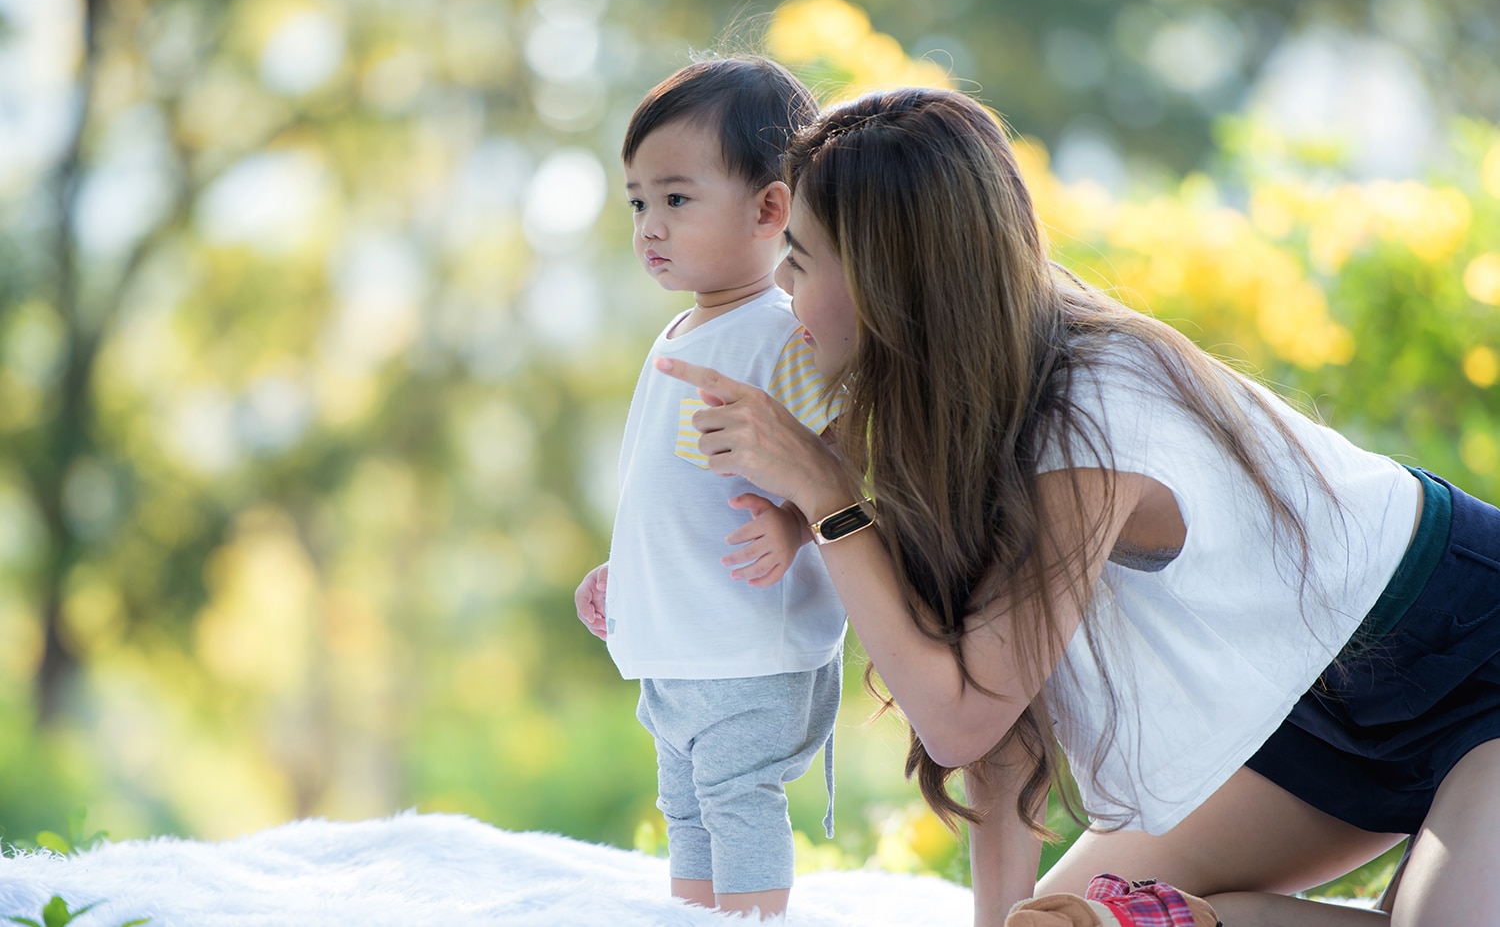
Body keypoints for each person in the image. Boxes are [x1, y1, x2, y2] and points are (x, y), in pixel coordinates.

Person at [654, 85, 1500, 927]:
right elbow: (1000, 731)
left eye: (798, 261)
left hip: (1474, 645)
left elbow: (958, 718)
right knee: (1060, 921)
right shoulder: (961, 404)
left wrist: (829, 496)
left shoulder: (1093, 416)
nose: (786, 299)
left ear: (884, 282)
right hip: (1306, 711)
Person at [573, 56, 846, 920]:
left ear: (771, 208)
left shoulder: (777, 332)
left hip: (749, 645)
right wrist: (628, 572)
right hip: (685, 640)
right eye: (638, 202)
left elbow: (844, 456)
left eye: (677, 199)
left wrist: (797, 529)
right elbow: (665, 491)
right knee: (686, 803)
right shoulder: (682, 329)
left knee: (736, 796)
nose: (650, 225)